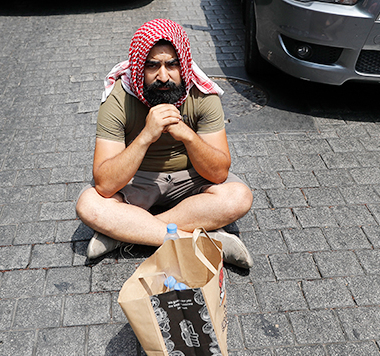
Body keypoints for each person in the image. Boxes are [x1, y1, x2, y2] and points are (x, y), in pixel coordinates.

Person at [75, 19, 254, 269]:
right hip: (137, 182)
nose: (163, 76)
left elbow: (218, 172)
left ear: (184, 65)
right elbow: (105, 184)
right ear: (139, 68)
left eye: (172, 65)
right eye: (152, 66)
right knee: (90, 205)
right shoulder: (118, 98)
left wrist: (188, 136)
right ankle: (204, 242)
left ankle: (127, 232)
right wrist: (146, 135)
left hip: (192, 183)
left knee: (238, 196)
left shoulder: (202, 95)